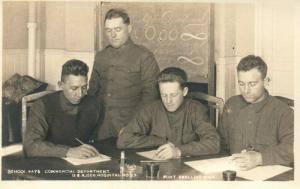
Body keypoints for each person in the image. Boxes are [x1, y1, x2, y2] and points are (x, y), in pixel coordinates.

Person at [117, 67, 220, 160]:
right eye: (164, 95)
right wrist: (162, 141)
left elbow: (214, 143)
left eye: (173, 95)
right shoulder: (151, 109)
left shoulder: (196, 109)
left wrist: (178, 151)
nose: (168, 101)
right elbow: (124, 139)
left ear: (184, 92)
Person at [88, 8, 160, 140]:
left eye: (117, 29)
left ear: (129, 29)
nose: (113, 35)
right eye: (108, 30)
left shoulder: (144, 56)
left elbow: (150, 96)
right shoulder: (101, 56)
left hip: (130, 127)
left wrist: (132, 126)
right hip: (100, 128)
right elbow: (92, 92)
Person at [218, 55, 294, 170]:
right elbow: (221, 144)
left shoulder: (283, 111)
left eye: (252, 84)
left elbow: (292, 148)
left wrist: (259, 158)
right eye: (241, 84)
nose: (246, 90)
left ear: (266, 81)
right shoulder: (231, 104)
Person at [24, 59, 102, 158]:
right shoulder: (42, 105)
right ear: (61, 85)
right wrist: (68, 152)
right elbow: (31, 146)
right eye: (74, 88)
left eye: (84, 87)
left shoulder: (93, 104)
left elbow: (96, 138)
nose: (80, 94)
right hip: (50, 162)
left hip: (83, 161)